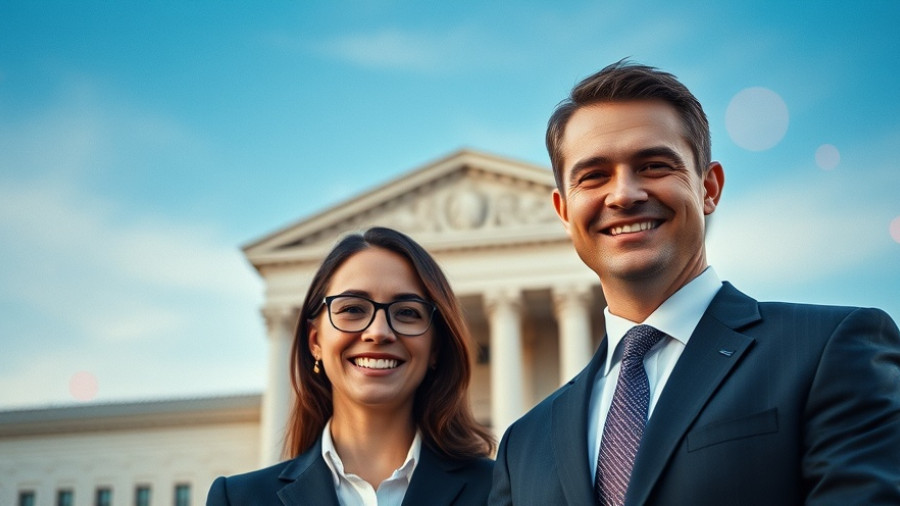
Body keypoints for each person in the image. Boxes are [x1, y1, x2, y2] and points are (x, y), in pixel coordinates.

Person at [489, 60, 900, 505]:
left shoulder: (829, 351)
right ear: (564, 211)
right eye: (594, 176)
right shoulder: (523, 445)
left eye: (653, 165)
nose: (624, 194)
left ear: (709, 188)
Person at [208, 227, 495, 506]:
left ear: (435, 348)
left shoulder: (497, 491)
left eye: (407, 312)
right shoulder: (239, 499)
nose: (379, 332)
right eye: (353, 309)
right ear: (315, 341)